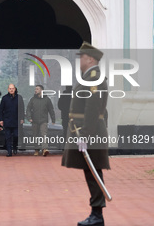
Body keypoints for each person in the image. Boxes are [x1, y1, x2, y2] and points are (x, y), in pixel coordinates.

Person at [61, 42, 110, 226]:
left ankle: (97, 215)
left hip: (90, 132)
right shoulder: (89, 76)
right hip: (85, 131)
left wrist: (85, 135)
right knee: (91, 171)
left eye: (82, 57)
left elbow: (92, 108)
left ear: (90, 59)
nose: (79, 60)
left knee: (93, 171)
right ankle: (96, 212)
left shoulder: (94, 77)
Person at [26, 84, 56, 156]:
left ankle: (44, 149)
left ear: (42, 90)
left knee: (44, 135)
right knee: (35, 135)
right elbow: (28, 109)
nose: (35, 90)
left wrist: (53, 119)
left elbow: (51, 110)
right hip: (34, 120)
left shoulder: (47, 99)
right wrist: (29, 117)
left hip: (43, 120)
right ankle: (36, 150)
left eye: (37, 89)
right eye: (35, 89)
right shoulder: (32, 99)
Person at [0, 84, 24, 157]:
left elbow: (22, 109)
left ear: (15, 89)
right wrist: (1, 119)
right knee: (8, 137)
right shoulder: (4, 98)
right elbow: (1, 110)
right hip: (7, 120)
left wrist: (22, 118)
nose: (11, 90)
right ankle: (9, 151)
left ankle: (15, 146)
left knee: (16, 135)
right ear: (8, 89)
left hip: (16, 120)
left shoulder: (19, 98)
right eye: (10, 88)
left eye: (12, 88)